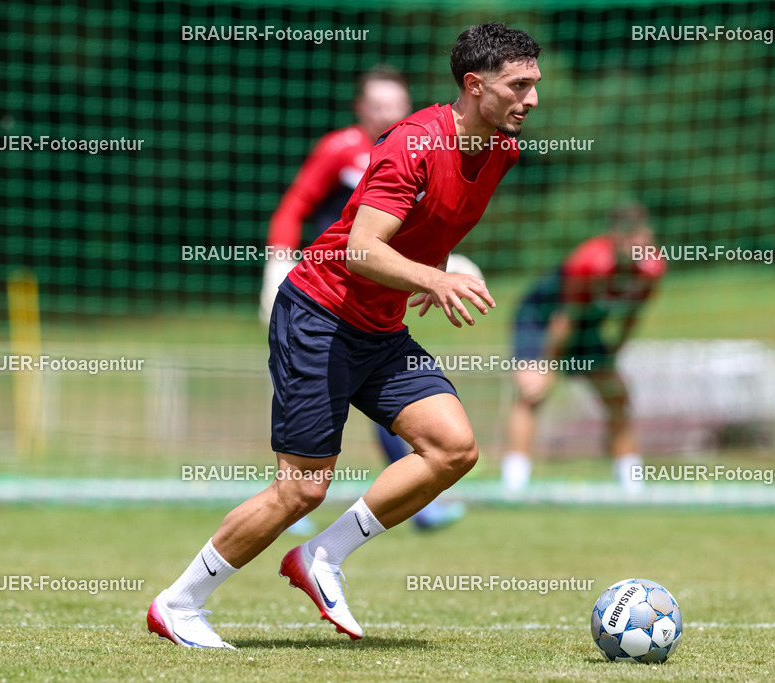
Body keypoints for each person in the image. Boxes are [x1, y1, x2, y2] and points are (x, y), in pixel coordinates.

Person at [147, 22, 541, 648]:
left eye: (534, 85)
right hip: (319, 316)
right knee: (301, 488)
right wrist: (433, 281)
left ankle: (320, 558)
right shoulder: (413, 144)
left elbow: (429, 228)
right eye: (519, 85)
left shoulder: (501, 149)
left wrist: (431, 269)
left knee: (452, 448)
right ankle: (178, 603)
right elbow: (360, 250)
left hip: (379, 330)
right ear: (474, 85)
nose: (532, 99)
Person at [259, 66, 466, 531]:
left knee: (396, 400)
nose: (388, 113)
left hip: (378, 300)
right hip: (323, 295)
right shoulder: (340, 148)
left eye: (396, 105)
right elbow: (294, 205)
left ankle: (418, 501)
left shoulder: (420, 148)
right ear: (361, 108)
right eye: (379, 106)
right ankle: (289, 498)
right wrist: (276, 263)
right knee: (307, 401)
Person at [500, 204, 665, 493]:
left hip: (585, 326)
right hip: (541, 319)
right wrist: (546, 366)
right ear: (615, 238)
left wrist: (613, 355)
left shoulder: (652, 269)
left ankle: (631, 484)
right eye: (630, 238)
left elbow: (630, 315)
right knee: (532, 391)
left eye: (643, 236)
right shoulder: (589, 263)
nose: (639, 244)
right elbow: (563, 320)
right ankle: (514, 483)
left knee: (616, 394)